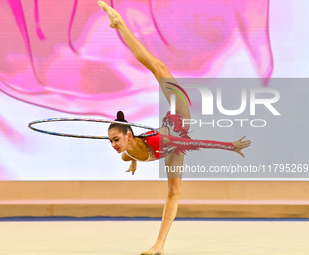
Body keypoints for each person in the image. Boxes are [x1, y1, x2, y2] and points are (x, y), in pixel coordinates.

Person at [99, 2, 251, 254]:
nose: (114, 146)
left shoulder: (149, 142)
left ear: (128, 134)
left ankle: (119, 23)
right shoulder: (126, 149)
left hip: (178, 124)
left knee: (157, 67)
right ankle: (160, 245)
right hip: (165, 144)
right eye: (111, 142)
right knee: (173, 191)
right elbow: (129, 152)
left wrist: (230, 146)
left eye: (116, 139)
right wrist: (134, 160)